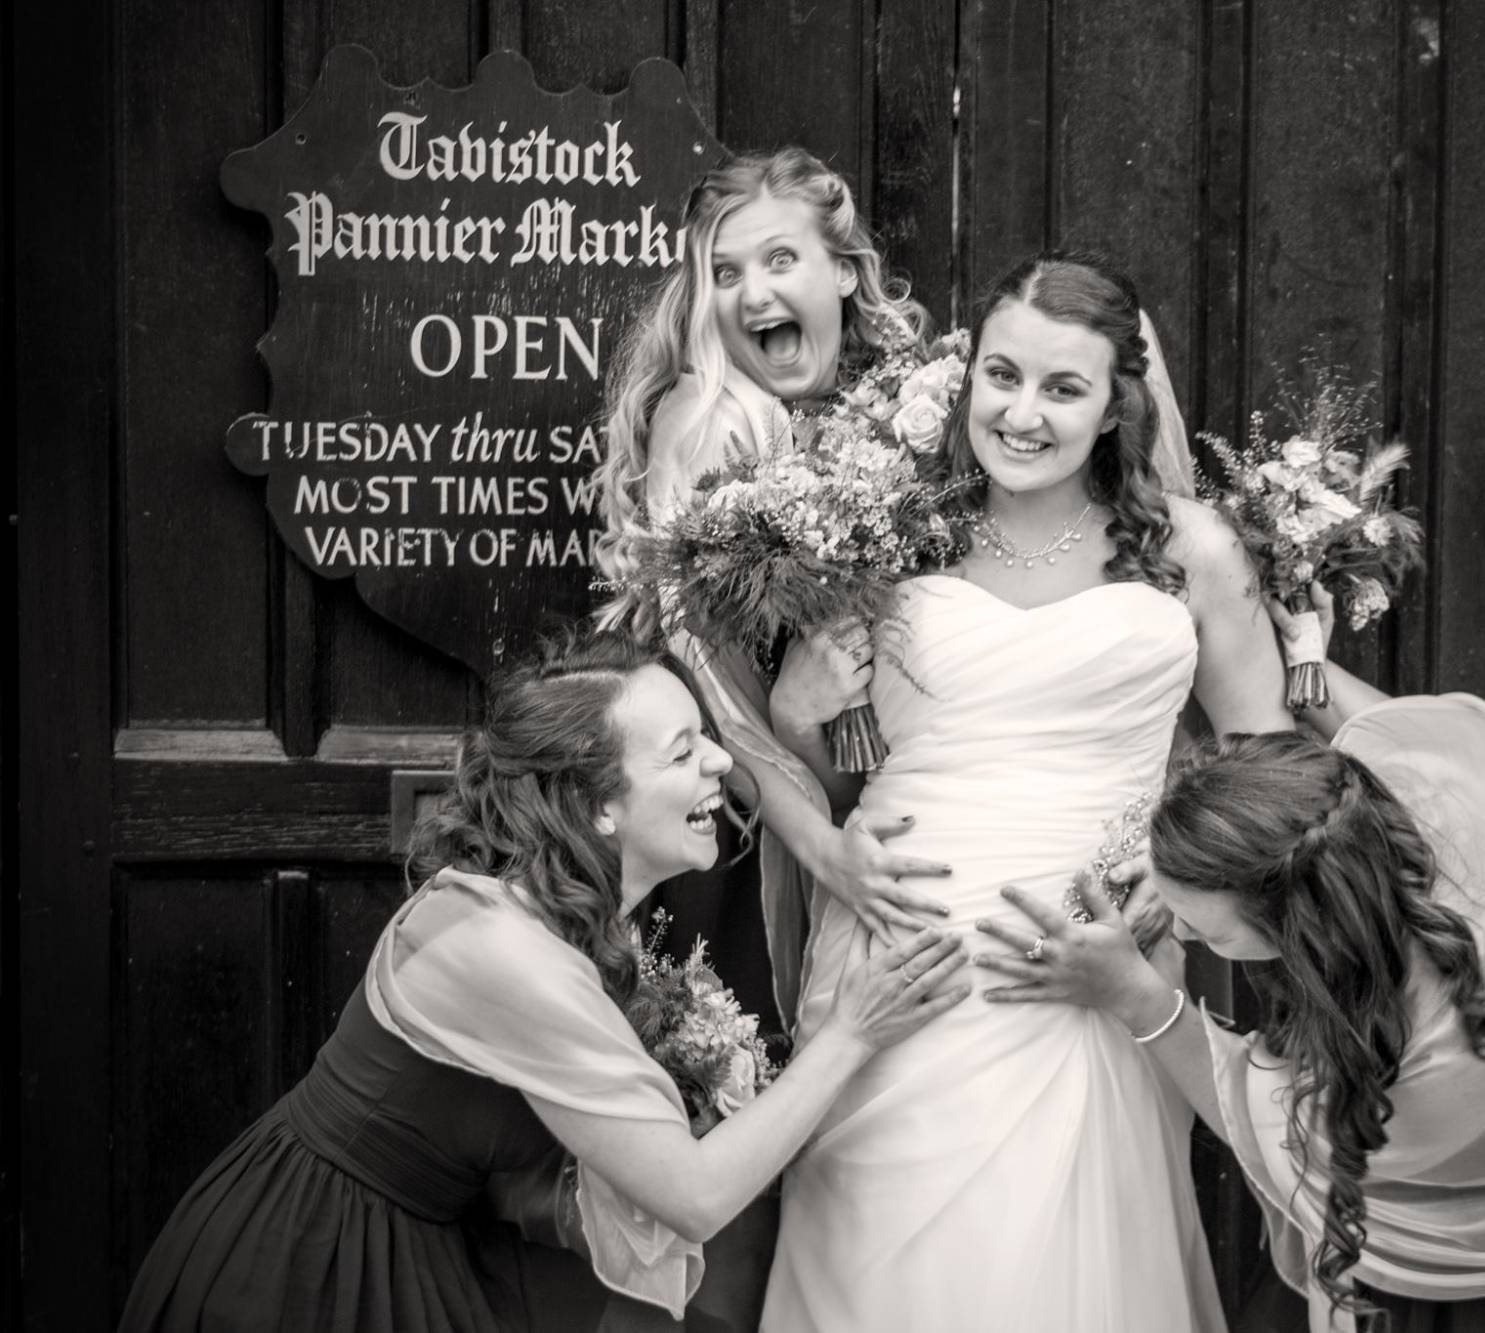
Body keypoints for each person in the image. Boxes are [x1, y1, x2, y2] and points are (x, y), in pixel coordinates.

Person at [119, 630, 970, 1333]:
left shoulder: (566, 913)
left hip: (420, 1236)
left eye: (706, 736)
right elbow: (696, 1193)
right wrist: (852, 1030)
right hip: (309, 1261)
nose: (721, 761)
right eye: (683, 751)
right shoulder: (509, 948)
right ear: (597, 804)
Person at [758, 253, 1299, 1332]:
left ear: (1114, 406)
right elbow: (843, 777)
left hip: (1085, 963)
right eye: (1002, 376)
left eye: (1063, 388)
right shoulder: (892, 533)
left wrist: (1170, 871)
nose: (1020, 413)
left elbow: (1268, 766)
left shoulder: (1189, 550)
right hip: (900, 950)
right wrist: (794, 714)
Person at [978, 639, 1485, 1333]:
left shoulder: (1441, 1044)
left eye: (1208, 926)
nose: (1188, 936)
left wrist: (1138, 997)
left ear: (1299, 921)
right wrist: (1304, 663)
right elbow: (1388, 732)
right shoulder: (1393, 793)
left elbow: (1280, 1136)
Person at [592, 146, 951, 1042]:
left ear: (844, 271)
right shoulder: (719, 419)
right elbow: (719, 693)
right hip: (739, 840)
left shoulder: (892, 415)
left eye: (780, 259)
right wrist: (827, 847)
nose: (753, 294)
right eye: (724, 273)